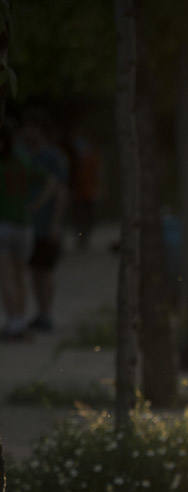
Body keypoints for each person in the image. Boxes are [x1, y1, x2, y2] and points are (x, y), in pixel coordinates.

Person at [0, 124, 55, 341]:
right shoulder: (23, 160)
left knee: (7, 277)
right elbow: (51, 181)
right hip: (24, 224)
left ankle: (14, 320)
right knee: (19, 276)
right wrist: (36, 204)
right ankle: (19, 320)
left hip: (4, 224)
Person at [22, 112, 70, 332]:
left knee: (45, 269)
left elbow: (60, 191)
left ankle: (47, 313)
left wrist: (55, 223)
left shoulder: (53, 158)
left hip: (45, 222)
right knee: (34, 270)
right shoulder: (25, 156)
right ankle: (40, 312)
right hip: (28, 223)